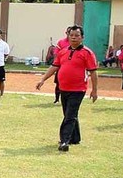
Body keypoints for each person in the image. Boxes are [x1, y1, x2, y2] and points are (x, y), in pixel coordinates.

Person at [35, 24, 98, 152]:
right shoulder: (63, 52)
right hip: (63, 88)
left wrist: (95, 90)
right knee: (69, 114)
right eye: (71, 35)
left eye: (77, 36)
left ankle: (64, 141)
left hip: (78, 89)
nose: (74, 38)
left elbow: (93, 72)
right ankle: (75, 138)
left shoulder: (87, 53)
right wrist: (42, 79)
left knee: (69, 115)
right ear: (68, 36)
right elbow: (54, 67)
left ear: (82, 37)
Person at [52, 28, 72, 103]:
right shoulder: (61, 42)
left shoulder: (75, 43)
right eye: (68, 33)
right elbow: (56, 53)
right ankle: (57, 99)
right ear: (66, 33)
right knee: (58, 83)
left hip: (71, 67)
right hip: (61, 66)